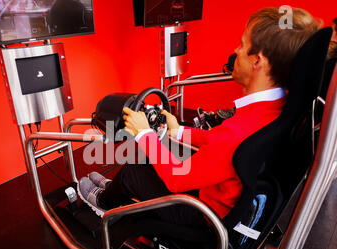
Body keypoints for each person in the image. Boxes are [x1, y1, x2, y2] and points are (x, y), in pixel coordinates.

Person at [78, 7, 321, 231]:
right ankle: (113, 190)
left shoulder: (238, 131)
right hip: (220, 193)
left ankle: (103, 204)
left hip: (205, 217)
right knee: (151, 160)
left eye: (242, 44)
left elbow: (175, 179)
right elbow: (224, 144)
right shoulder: (275, 108)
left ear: (258, 61)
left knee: (136, 169)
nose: (235, 51)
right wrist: (179, 132)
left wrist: (144, 133)